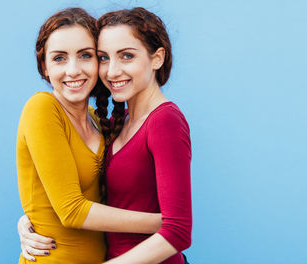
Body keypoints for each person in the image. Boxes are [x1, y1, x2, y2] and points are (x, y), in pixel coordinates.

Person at [18, 7, 192, 264]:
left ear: (157, 58)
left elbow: (177, 231)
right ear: (43, 67)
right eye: (104, 58)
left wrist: (169, 224)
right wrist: (30, 220)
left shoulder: (161, 120)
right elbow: (74, 201)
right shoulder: (113, 124)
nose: (112, 72)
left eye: (127, 56)